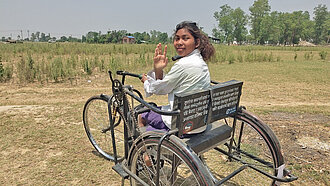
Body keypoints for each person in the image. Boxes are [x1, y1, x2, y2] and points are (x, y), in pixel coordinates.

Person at [138, 21, 215, 132]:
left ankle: (143, 146)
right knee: (153, 110)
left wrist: (146, 81)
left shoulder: (183, 64)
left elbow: (159, 89)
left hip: (181, 123)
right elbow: (165, 85)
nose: (179, 42)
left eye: (185, 38)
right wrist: (158, 69)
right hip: (198, 123)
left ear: (197, 42)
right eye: (177, 38)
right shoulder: (199, 61)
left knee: (141, 115)